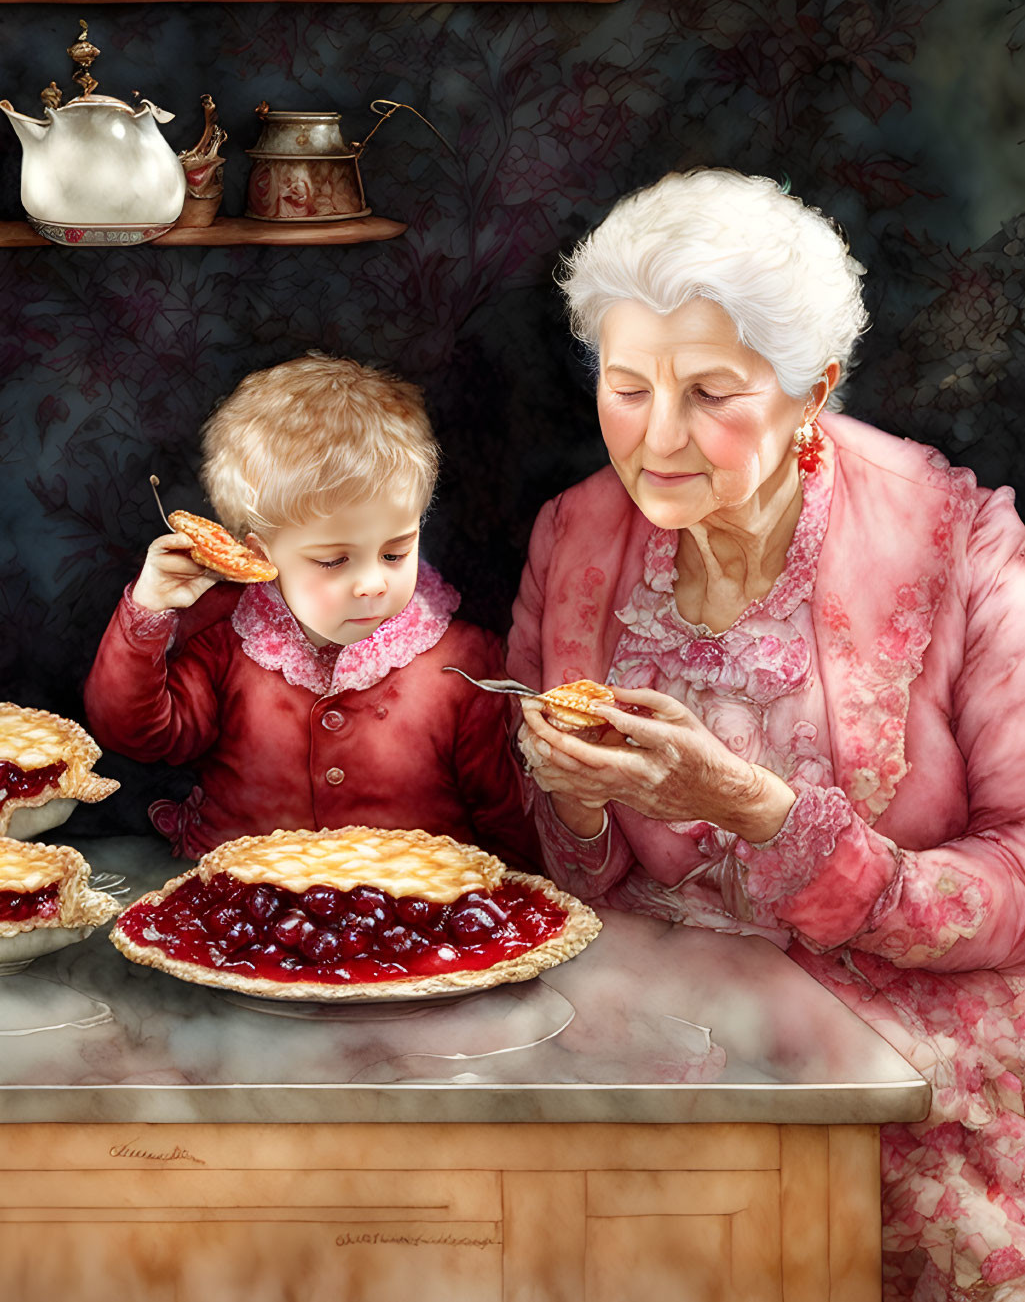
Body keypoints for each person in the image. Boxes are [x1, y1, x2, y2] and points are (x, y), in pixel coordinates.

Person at [508, 167, 1025, 1302]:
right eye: (628, 387)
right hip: (651, 1016)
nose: (657, 439)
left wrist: (758, 810)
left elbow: (1018, 877)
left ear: (814, 389)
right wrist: (579, 797)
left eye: (712, 393)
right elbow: (569, 875)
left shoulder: (958, 541)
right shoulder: (577, 538)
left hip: (898, 1038)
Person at [84, 352, 536, 868]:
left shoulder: (464, 663)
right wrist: (147, 610)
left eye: (395, 552)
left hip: (410, 914)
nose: (371, 582)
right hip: (245, 905)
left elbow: (506, 816)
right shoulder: (227, 643)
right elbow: (135, 731)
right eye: (333, 560)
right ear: (259, 557)